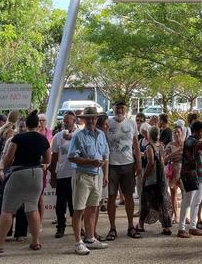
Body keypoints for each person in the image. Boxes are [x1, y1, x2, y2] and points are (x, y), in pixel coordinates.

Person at [0, 111, 51, 257]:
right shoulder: (43, 139)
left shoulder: (18, 138)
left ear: (26, 124)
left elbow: (8, 158)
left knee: (7, 209)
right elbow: (47, 159)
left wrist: (3, 167)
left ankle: (0, 244)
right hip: (36, 174)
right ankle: (35, 241)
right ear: (38, 125)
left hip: (19, 173)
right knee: (32, 208)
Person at [67, 107, 109, 255]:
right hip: (83, 175)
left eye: (94, 118)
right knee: (79, 210)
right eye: (88, 118)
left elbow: (105, 156)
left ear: (97, 119)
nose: (91, 120)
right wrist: (90, 162)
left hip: (97, 176)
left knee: (92, 208)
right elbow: (71, 157)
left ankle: (90, 238)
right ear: (84, 120)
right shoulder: (78, 136)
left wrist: (105, 175)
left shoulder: (101, 135)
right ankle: (78, 242)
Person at [106, 100, 141, 240]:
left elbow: (136, 145)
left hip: (128, 164)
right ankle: (112, 228)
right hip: (112, 165)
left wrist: (138, 163)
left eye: (122, 108)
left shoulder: (131, 123)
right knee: (112, 196)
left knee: (128, 196)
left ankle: (131, 226)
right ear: (113, 109)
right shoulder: (108, 123)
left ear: (126, 110)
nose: (119, 110)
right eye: (117, 108)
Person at [178, 121, 202, 238]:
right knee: (187, 201)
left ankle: (192, 227)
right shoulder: (190, 141)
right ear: (195, 132)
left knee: (197, 202)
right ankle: (181, 228)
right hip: (191, 175)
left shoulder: (195, 141)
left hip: (200, 175)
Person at [137, 126, 173, 235]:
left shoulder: (149, 147)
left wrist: (144, 176)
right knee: (162, 201)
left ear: (149, 135)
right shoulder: (161, 145)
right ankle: (166, 226)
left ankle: (140, 224)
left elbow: (151, 162)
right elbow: (163, 159)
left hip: (152, 178)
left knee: (146, 201)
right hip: (161, 178)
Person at [49, 111, 77, 238]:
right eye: (64, 121)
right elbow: (54, 157)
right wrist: (53, 176)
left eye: (68, 120)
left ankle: (78, 227)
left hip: (76, 174)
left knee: (75, 203)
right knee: (61, 203)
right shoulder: (58, 136)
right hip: (62, 174)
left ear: (74, 121)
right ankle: (60, 227)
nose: (65, 123)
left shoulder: (80, 134)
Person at [163, 125, 184, 224]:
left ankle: (184, 215)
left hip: (184, 172)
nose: (176, 134)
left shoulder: (186, 144)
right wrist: (174, 153)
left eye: (178, 132)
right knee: (173, 194)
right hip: (173, 171)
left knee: (186, 195)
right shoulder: (170, 145)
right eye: (174, 132)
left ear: (182, 133)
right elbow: (164, 159)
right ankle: (176, 215)